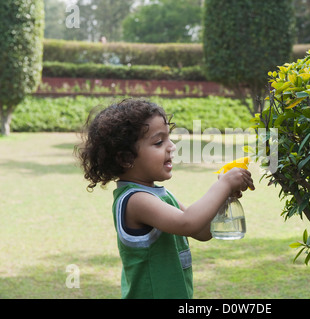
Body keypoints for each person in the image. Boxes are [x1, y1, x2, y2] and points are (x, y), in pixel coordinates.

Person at [76, 98, 254, 299]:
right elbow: (188, 223)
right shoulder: (135, 200)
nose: (171, 147)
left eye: (169, 139)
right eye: (159, 142)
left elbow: (202, 231)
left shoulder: (162, 195)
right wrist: (223, 185)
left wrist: (224, 197)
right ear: (126, 158)